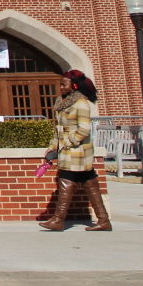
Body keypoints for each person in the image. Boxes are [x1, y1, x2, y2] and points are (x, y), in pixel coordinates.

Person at [39, 69, 111, 232]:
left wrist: (68, 142)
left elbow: (84, 129)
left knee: (66, 180)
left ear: (74, 85)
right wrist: (53, 146)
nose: (61, 87)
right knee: (89, 182)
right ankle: (103, 220)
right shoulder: (62, 102)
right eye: (60, 84)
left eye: (64, 84)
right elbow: (58, 128)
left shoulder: (81, 103)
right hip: (68, 150)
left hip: (78, 151)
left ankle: (58, 220)